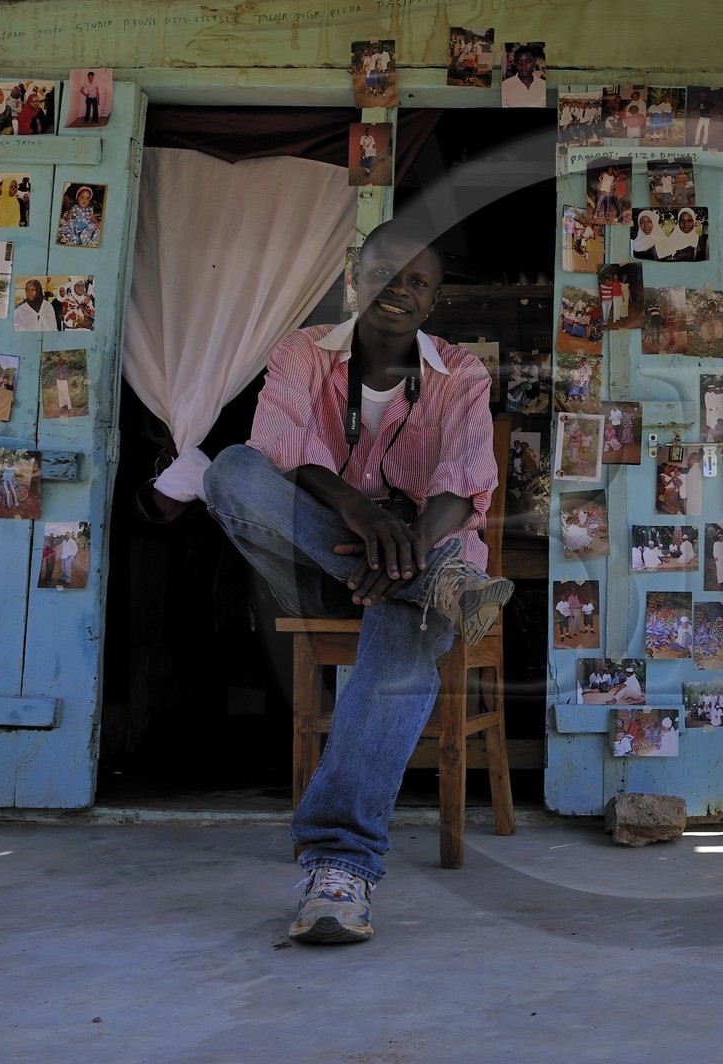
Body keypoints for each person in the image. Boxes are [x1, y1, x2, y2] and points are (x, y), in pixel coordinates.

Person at [202, 220, 513, 946]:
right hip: (321, 556)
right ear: (355, 278)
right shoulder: (301, 352)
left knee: (406, 622)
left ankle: (339, 869)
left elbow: (463, 484)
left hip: (422, 546)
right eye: (385, 272)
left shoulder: (461, 374)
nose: (398, 289)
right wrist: (359, 516)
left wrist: (406, 545)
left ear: (433, 301)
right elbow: (276, 451)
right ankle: (431, 583)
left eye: (418, 281)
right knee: (229, 472)